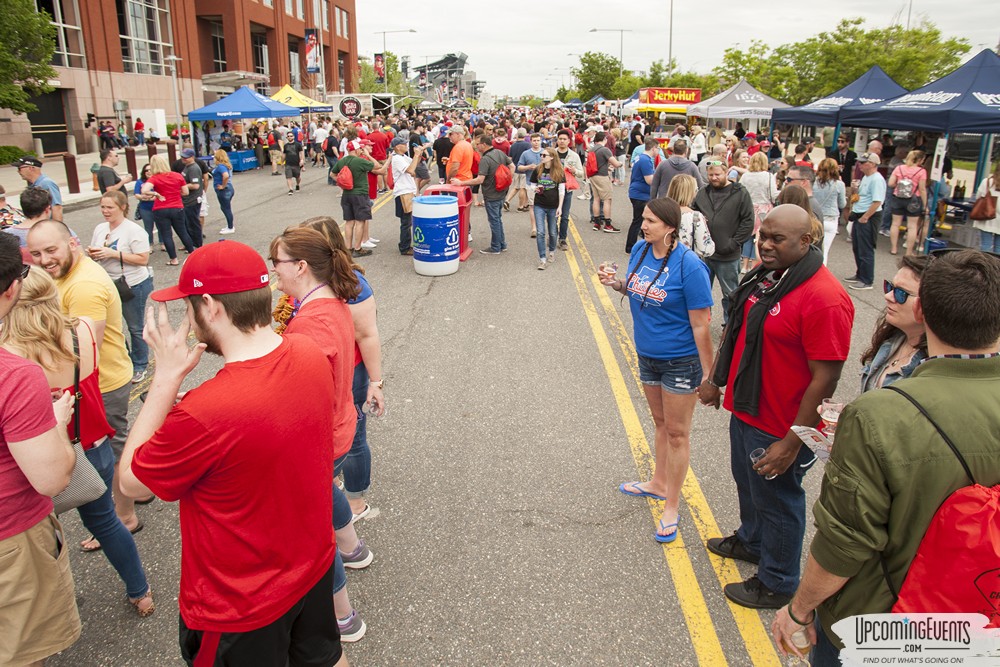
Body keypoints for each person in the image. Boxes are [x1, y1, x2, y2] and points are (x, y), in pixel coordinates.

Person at [118, 241, 349, 667]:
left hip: (240, 607)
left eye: (188, 308)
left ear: (210, 306)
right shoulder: (309, 352)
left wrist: (165, 379)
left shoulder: (204, 413)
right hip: (312, 566)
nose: (188, 319)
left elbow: (131, 482)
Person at [771, 249, 1000, 666]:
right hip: (982, 613)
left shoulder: (880, 415)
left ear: (925, 312)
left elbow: (846, 543)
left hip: (886, 621)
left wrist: (799, 609)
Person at [698, 204, 854, 611]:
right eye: (763, 235)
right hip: (749, 408)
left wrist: (792, 441)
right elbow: (739, 332)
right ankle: (752, 542)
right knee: (749, 485)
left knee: (779, 500)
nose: (764, 244)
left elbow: (826, 377)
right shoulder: (771, 277)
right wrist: (717, 379)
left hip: (781, 424)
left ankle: (779, 581)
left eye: (776, 239)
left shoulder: (825, 298)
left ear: (807, 241)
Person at [0, 266, 155, 617]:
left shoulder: (11, 355)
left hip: (36, 461)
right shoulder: (82, 330)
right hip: (92, 445)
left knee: (37, 531)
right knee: (106, 522)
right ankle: (140, 590)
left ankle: (46, 608)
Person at [269, 226, 370, 643]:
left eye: (277, 262)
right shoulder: (332, 303)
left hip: (319, 439)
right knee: (329, 491)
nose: (273, 271)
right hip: (340, 427)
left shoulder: (309, 325)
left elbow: (296, 402)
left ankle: (344, 617)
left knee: (311, 536)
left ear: (301, 266)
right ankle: (353, 547)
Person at [26, 220, 144, 551]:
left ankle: (122, 517)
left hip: (100, 384)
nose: (44, 259)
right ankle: (123, 507)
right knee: (113, 448)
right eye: (36, 253)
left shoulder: (83, 287)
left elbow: (80, 347)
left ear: (73, 243)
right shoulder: (67, 275)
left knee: (109, 452)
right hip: (100, 380)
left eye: (51, 250)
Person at [602, 197, 714, 542]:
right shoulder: (640, 250)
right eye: (643, 219)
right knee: (661, 424)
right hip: (647, 354)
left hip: (681, 360)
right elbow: (637, 288)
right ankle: (658, 482)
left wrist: (710, 376)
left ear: (670, 227)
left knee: (678, 433)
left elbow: (701, 326)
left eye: (651, 221)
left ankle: (673, 505)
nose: (643, 224)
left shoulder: (690, 266)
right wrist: (616, 283)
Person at [0, 233, 81, 667]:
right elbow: (51, 478)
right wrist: (56, 425)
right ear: (12, 287)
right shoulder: (16, 375)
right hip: (11, 538)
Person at [87, 190, 152, 384]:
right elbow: (97, 250)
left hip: (132, 285)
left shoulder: (134, 231)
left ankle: (140, 364)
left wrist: (112, 254)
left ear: (122, 207)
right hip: (107, 285)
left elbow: (143, 259)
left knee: (135, 327)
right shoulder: (100, 228)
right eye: (103, 207)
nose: (105, 211)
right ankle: (125, 361)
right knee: (113, 327)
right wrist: (93, 253)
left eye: (110, 207)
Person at [691, 160, 755, 322]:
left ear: (726, 173)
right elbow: (693, 213)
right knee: (702, 291)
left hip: (728, 255)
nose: (713, 178)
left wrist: (733, 243)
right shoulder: (702, 193)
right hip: (705, 254)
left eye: (717, 174)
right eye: (710, 175)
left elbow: (748, 221)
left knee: (730, 293)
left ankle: (730, 324)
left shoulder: (740, 193)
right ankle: (703, 321)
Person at [859, 255, 929, 393]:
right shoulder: (894, 339)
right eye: (889, 287)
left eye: (901, 293)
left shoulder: (929, 368)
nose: (888, 296)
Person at [454, 134, 513, 256]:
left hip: (491, 194)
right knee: (498, 219)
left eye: (477, 144)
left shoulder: (485, 159)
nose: (476, 146)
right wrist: (506, 179)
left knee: (494, 220)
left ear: (484, 145)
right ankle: (502, 244)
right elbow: (512, 166)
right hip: (502, 191)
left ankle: (496, 247)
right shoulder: (499, 152)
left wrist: (461, 183)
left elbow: (479, 180)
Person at [143, 154, 192, 266]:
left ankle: (173, 259)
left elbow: (144, 190)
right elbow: (186, 192)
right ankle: (192, 253)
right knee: (182, 231)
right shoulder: (177, 176)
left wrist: (156, 193)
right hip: (177, 206)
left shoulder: (154, 178)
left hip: (161, 208)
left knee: (166, 234)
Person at [332, 140, 379, 257]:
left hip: (347, 194)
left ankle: (349, 248)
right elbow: (377, 166)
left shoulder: (342, 161)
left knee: (349, 222)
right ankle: (358, 248)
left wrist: (341, 182)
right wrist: (368, 155)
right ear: (357, 150)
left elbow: (332, 174)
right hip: (360, 194)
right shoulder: (360, 161)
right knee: (360, 221)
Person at [847, 152, 886, 290]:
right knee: (857, 247)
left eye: (864, 163)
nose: (860, 165)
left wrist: (865, 217)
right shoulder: (866, 177)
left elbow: (877, 202)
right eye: (860, 162)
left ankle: (867, 279)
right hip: (860, 214)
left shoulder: (877, 179)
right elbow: (863, 196)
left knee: (866, 248)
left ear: (873, 164)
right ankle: (860, 274)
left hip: (868, 216)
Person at [738, 152, 778, 272]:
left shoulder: (745, 176)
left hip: (748, 208)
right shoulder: (769, 176)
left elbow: (740, 192)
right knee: (760, 238)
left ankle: (744, 265)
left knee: (748, 237)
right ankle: (754, 265)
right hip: (764, 209)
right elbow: (773, 195)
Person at [528, 147, 565, 270]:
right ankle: (542, 259)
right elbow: (531, 185)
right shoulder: (538, 169)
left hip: (553, 206)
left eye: (544, 155)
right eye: (541, 155)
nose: (542, 157)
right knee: (540, 232)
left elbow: (561, 191)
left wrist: (560, 206)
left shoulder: (559, 171)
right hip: (540, 204)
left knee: (553, 232)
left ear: (552, 157)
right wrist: (535, 188)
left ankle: (552, 252)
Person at [886, 150, 928, 256]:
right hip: (913, 200)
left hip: (898, 197)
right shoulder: (921, 171)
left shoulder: (899, 168)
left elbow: (890, 183)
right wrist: (925, 204)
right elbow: (922, 189)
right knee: (912, 226)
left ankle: (893, 248)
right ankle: (909, 252)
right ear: (920, 160)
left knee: (895, 224)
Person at [667, 175, 715, 258]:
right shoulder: (695, 216)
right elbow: (706, 249)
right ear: (691, 192)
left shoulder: (661, 211)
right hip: (685, 261)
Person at [626, 138, 659, 253]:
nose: (658, 151)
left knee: (638, 220)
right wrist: (658, 177)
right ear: (654, 148)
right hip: (641, 195)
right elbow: (649, 180)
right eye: (658, 148)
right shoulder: (646, 160)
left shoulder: (640, 157)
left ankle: (632, 245)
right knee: (638, 221)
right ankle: (630, 247)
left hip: (637, 192)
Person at [390, 136, 420, 255]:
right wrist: (416, 155)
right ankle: (404, 246)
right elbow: (410, 170)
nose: (407, 146)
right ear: (398, 147)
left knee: (408, 220)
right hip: (403, 192)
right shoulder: (397, 158)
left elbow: (413, 167)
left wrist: (418, 155)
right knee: (406, 221)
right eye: (404, 144)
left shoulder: (403, 157)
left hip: (408, 190)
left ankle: (406, 244)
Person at [813, 158, 847, 265]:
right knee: (825, 250)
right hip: (830, 218)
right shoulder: (839, 184)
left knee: (812, 248)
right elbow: (842, 204)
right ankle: (821, 273)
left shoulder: (813, 182)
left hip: (815, 217)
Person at [554, 129, 583, 251]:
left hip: (567, 189)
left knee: (565, 216)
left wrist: (574, 171)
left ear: (569, 141)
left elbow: (582, 174)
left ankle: (562, 239)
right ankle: (552, 236)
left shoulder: (574, 156)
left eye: (564, 139)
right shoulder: (552, 153)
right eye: (560, 139)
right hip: (552, 188)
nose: (562, 141)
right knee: (552, 215)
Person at [588, 131, 622, 233]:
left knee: (596, 199)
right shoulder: (605, 150)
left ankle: (597, 223)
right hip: (602, 177)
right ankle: (608, 224)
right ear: (604, 139)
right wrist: (620, 163)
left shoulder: (592, 149)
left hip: (593, 176)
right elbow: (615, 163)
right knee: (607, 200)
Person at [12, 156, 63, 222]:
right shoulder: (33, 184)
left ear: (30, 168)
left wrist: (57, 229)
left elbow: (56, 208)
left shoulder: (46, 183)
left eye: (19, 168)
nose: (18, 171)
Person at [177, 149, 204, 249]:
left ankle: (197, 244)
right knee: (187, 223)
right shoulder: (187, 167)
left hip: (192, 200)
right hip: (186, 200)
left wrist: (183, 186)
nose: (183, 159)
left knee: (193, 223)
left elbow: (195, 185)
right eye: (182, 157)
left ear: (192, 157)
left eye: (186, 157)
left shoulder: (193, 168)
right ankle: (190, 242)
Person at [973, 161, 1000, 253]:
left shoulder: (987, 182)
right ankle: (996, 266)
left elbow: (978, 197)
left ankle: (985, 265)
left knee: (985, 245)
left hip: (986, 217)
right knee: (999, 248)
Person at [211, 149, 236, 235]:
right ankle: (229, 225)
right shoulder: (227, 165)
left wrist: (223, 186)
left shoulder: (221, 166)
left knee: (226, 208)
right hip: (229, 188)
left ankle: (230, 227)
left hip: (224, 190)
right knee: (225, 208)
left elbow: (225, 176)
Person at [133, 163, 157, 247]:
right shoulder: (140, 182)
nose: (148, 172)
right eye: (146, 170)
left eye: (150, 170)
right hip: (145, 208)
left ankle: (163, 243)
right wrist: (144, 197)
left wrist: (154, 197)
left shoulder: (157, 180)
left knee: (161, 226)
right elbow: (136, 194)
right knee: (148, 228)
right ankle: (150, 244)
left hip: (157, 207)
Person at [283, 130, 304, 195]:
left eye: (291, 136)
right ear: (287, 137)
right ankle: (290, 189)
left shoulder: (298, 145)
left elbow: (301, 153)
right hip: (288, 164)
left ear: (294, 137)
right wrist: (282, 161)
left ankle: (297, 184)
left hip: (296, 163)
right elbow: (284, 154)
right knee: (288, 177)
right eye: (288, 136)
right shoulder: (285, 145)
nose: (290, 137)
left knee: (298, 177)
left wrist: (302, 160)